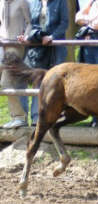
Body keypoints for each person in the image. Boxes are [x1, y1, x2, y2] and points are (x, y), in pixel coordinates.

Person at [17, 0, 69, 126]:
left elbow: (64, 23)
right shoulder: (33, 2)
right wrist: (27, 36)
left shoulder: (61, 2)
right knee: (34, 81)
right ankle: (31, 118)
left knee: (53, 84)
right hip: (37, 48)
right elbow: (32, 24)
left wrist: (52, 37)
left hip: (55, 48)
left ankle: (47, 117)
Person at [0, 0, 32, 129]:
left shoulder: (22, 2)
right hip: (3, 45)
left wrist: (25, 36)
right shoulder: (2, 2)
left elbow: (30, 23)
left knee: (6, 82)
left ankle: (20, 117)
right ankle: (15, 117)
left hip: (16, 46)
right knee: (7, 82)